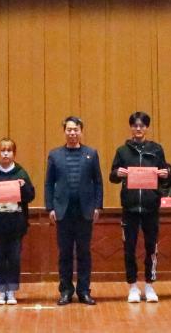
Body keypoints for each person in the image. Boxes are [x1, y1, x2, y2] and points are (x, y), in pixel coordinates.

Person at [109, 111, 171, 303]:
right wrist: (117, 173)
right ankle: (132, 286)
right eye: (135, 125)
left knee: (151, 248)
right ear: (131, 127)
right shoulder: (122, 151)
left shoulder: (157, 150)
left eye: (142, 126)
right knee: (129, 248)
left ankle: (149, 285)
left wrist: (166, 174)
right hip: (129, 209)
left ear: (147, 128)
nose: (138, 129)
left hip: (150, 208)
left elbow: (166, 177)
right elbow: (112, 176)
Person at [45, 116, 103, 306]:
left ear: (81, 131)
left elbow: (98, 182)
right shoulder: (55, 155)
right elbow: (49, 184)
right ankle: (66, 291)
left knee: (84, 253)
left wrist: (98, 206)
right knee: (65, 254)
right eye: (69, 130)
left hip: (85, 211)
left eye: (75, 129)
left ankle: (84, 290)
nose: (72, 133)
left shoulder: (91, 154)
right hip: (63, 211)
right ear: (64, 131)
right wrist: (50, 207)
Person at [0, 138, 36, 305]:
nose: (5, 154)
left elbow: (30, 196)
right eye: (2, 150)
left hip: (16, 225)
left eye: (9, 150)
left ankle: (11, 291)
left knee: (14, 259)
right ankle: (0, 291)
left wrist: (24, 186)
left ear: (14, 153)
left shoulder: (21, 173)